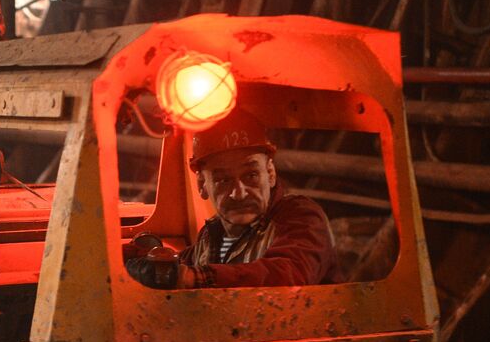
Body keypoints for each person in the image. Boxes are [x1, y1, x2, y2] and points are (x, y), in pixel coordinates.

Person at [127, 108, 340, 289]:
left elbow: (288, 274)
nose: (239, 192)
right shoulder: (212, 236)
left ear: (271, 173)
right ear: (202, 185)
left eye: (251, 175)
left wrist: (189, 277)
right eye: (222, 180)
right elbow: (183, 263)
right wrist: (135, 256)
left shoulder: (301, 218)